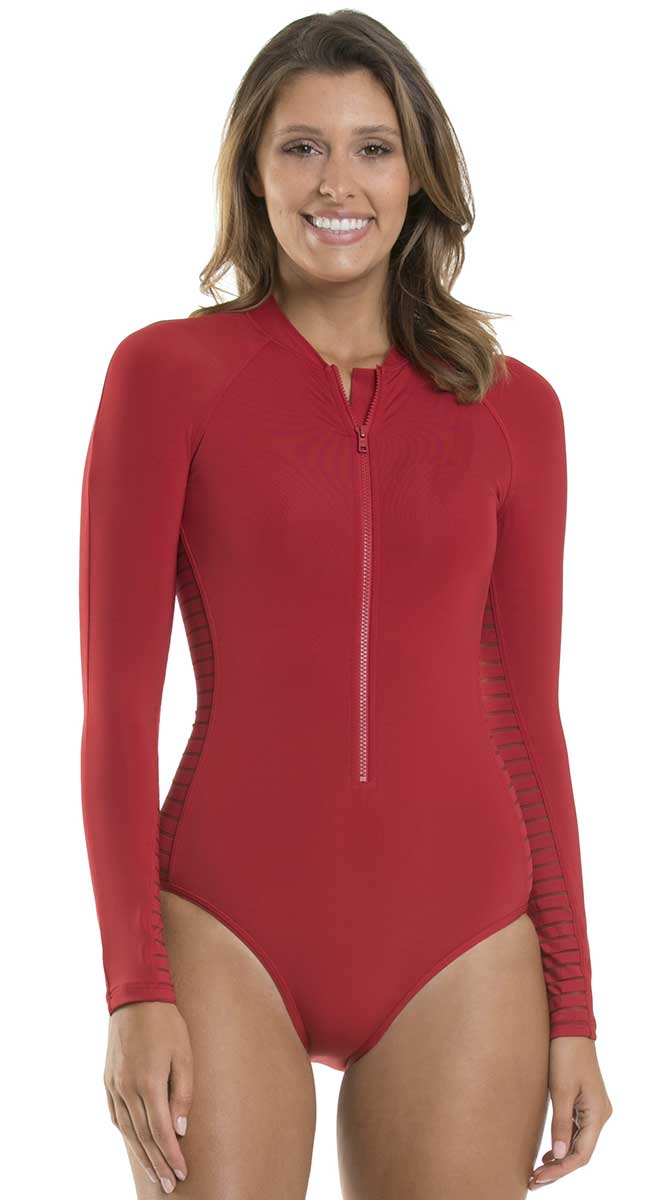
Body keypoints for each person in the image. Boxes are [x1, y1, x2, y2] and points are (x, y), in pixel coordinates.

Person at [78, 11, 612, 1198]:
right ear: (252, 173)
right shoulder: (167, 376)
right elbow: (115, 710)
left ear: (416, 174)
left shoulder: (513, 409)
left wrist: (573, 1005)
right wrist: (133, 988)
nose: (337, 183)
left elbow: (531, 719)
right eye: (300, 147)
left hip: (465, 942)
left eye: (372, 148)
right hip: (225, 923)